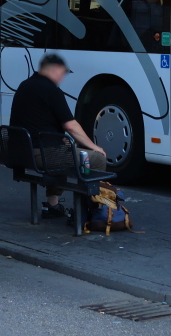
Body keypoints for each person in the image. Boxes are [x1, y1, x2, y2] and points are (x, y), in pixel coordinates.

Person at [9, 53, 108, 218]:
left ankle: (52, 205)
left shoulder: (24, 85)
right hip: (41, 154)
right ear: (54, 70)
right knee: (97, 159)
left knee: (65, 150)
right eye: (63, 72)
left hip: (20, 152)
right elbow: (70, 125)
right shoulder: (51, 91)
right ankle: (89, 211)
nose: (62, 77)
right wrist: (94, 147)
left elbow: (37, 122)